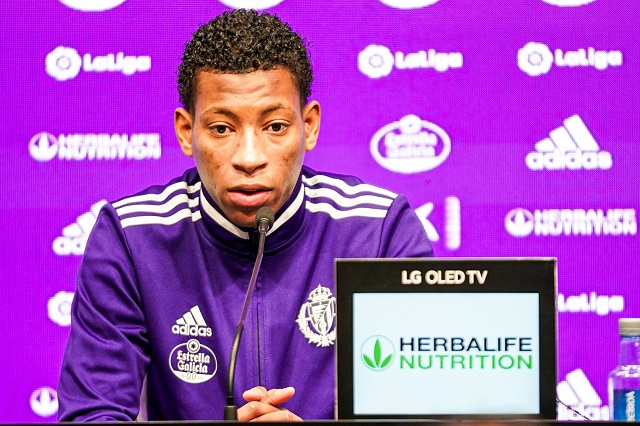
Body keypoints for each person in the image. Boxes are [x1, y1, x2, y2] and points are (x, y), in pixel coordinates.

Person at [57, 9, 433, 422]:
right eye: (222, 128)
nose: (249, 158)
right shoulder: (132, 237)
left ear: (308, 126)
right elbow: (91, 414)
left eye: (275, 126)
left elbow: (420, 410)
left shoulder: (379, 230)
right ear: (186, 132)